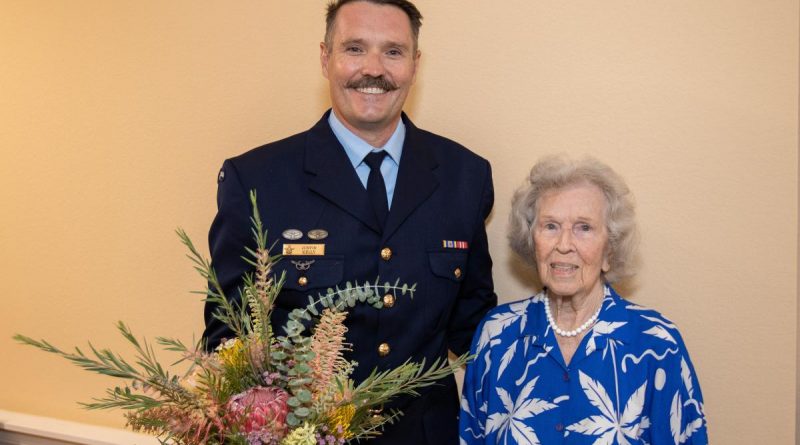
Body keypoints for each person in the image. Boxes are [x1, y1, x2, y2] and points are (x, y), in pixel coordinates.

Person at [203, 1, 497, 443]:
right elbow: (229, 342)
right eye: (355, 49)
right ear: (325, 58)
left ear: (415, 65)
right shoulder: (258, 181)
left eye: (393, 52)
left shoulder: (465, 177)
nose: (374, 69)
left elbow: (476, 328)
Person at [459, 156, 708, 444]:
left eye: (584, 228)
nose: (563, 245)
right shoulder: (497, 335)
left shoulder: (657, 344)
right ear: (532, 241)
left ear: (609, 250)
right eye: (550, 226)